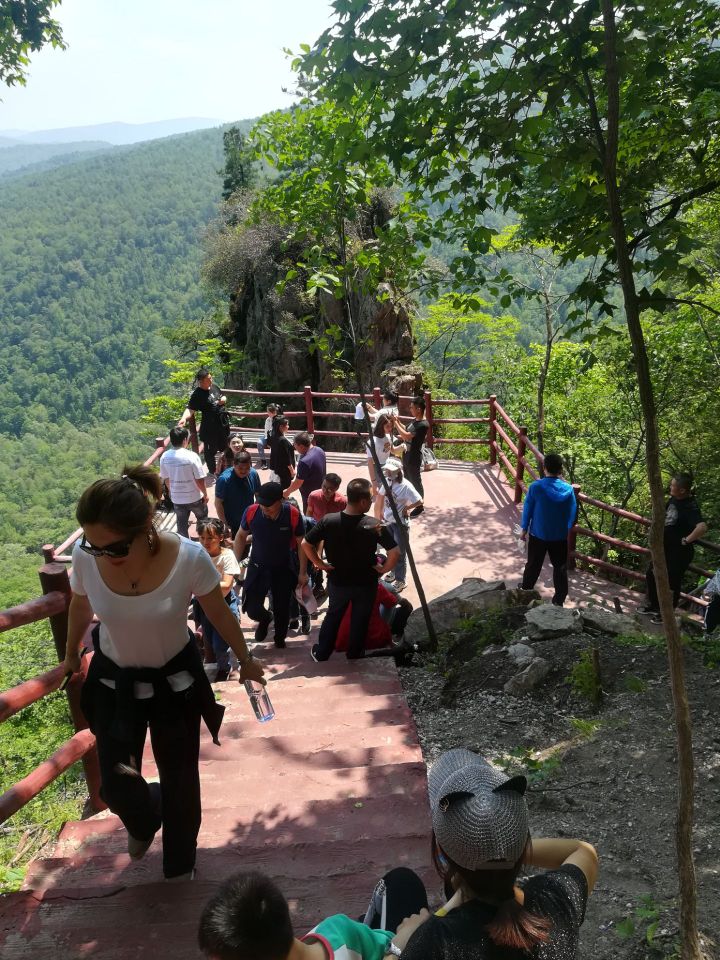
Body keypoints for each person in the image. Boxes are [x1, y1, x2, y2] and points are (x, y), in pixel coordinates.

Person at [62, 467, 265, 881]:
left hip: (175, 680)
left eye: (113, 547)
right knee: (116, 783)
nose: (101, 554)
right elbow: (80, 605)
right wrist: (70, 655)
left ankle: (179, 862)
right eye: (92, 545)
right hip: (114, 679)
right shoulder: (88, 556)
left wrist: (245, 660)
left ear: (145, 530)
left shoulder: (187, 557)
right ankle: (143, 818)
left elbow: (217, 610)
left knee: (180, 778)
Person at [389, 748, 598, 959]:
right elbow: (583, 850)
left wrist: (398, 947)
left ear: (441, 851)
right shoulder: (556, 901)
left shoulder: (436, 940)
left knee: (400, 883)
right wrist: (505, 850)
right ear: (522, 841)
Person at [198, 870, 408, 960]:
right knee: (401, 880)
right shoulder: (338, 928)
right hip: (386, 944)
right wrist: (400, 947)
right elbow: (387, 942)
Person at [302, 478, 400, 661]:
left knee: (333, 616)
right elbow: (395, 551)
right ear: (363, 501)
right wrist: (383, 569)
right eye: (370, 499)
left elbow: (306, 543)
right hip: (366, 582)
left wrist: (320, 563)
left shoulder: (329, 521)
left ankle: (322, 653)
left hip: (338, 581)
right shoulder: (373, 524)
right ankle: (355, 653)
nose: (371, 502)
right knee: (360, 618)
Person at [233, 482, 308, 648]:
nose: (264, 508)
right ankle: (266, 618)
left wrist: (303, 572)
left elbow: (301, 543)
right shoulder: (252, 511)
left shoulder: (292, 514)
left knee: (282, 608)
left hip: (283, 567)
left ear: (280, 501)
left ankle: (279, 638)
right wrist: (233, 564)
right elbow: (240, 536)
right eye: (261, 504)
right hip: (257, 567)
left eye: (268, 505)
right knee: (251, 607)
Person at [643, 472, 707, 623]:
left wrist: (686, 540)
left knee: (672, 581)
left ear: (682, 490)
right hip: (665, 547)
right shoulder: (674, 499)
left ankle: (666, 614)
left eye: (673, 486)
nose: (670, 487)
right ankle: (654, 605)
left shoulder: (690, 506)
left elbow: (702, 527)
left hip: (680, 552)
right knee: (651, 574)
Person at [519, 453, 577, 607]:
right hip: (559, 536)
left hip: (538, 533)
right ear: (560, 469)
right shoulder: (568, 490)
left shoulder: (536, 487)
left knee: (533, 564)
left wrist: (524, 529)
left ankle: (526, 590)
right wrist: (566, 526)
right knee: (560, 567)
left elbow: (528, 509)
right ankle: (559, 599)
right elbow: (572, 512)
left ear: (544, 468)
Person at [193, 518, 242, 682]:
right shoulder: (197, 554)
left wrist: (199, 585)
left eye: (210, 538)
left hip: (224, 605)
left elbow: (227, 585)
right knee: (209, 638)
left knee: (220, 643)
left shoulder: (227, 556)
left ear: (220, 537)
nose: (205, 542)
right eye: (202, 538)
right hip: (204, 605)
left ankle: (224, 669)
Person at [335, 579, 413, 654]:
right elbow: (395, 602)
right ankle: (389, 636)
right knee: (392, 603)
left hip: (342, 638)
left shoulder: (342, 584)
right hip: (370, 638)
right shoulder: (378, 586)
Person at [178, 368, 231, 478]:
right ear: (201, 381)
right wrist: (183, 418)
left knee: (225, 446)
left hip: (222, 424)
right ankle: (213, 471)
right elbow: (190, 409)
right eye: (208, 380)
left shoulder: (214, 387)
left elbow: (222, 396)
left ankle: (226, 468)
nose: (211, 381)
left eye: (211, 378)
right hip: (209, 427)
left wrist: (224, 399)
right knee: (210, 451)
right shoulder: (197, 394)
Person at [380, 458, 422, 593]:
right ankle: (393, 571)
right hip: (388, 521)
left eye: (390, 471)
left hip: (400, 524)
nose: (387, 472)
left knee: (400, 553)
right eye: (386, 470)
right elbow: (381, 496)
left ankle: (400, 579)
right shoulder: (387, 481)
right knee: (390, 550)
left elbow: (419, 500)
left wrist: (407, 508)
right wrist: (380, 513)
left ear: (398, 472)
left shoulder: (406, 486)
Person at [159, 426, 209, 539]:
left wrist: (173, 492)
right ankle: (204, 540)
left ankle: (186, 547)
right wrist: (205, 494)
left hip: (177, 498)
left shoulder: (164, 457)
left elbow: (166, 479)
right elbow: (199, 479)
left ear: (171, 440)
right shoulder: (192, 456)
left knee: (181, 524)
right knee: (203, 519)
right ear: (185, 440)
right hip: (194, 497)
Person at [307, 473, 347, 600]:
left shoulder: (342, 501)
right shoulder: (313, 496)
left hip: (333, 536)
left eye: (330, 489)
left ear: (336, 489)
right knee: (315, 560)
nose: (325, 491)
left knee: (333, 561)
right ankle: (318, 586)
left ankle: (332, 585)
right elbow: (309, 513)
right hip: (317, 533)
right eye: (324, 487)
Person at [215, 450, 261, 539]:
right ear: (234, 465)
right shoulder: (224, 480)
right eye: (240, 468)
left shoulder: (253, 473)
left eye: (247, 468)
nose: (244, 471)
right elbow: (218, 503)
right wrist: (224, 524)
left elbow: (258, 496)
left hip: (249, 519)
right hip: (232, 522)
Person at [392, 395, 429, 500]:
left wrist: (395, 423)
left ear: (419, 409)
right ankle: (411, 499)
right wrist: (397, 421)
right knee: (407, 478)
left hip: (414, 456)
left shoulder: (423, 424)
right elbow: (406, 429)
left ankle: (419, 504)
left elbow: (406, 435)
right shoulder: (416, 420)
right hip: (407, 453)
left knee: (416, 481)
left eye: (412, 407)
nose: (410, 409)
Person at [367, 413, 403, 520]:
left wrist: (402, 447)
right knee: (379, 498)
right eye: (387, 426)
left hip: (388, 467)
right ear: (381, 426)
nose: (390, 428)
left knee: (388, 495)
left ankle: (386, 518)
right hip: (378, 469)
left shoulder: (387, 437)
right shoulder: (372, 442)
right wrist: (373, 482)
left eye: (391, 426)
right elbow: (370, 463)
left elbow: (392, 450)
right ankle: (377, 520)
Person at [284, 431, 327, 512]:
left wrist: (287, 492)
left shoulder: (304, 461)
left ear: (301, 446)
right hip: (321, 490)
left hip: (310, 495)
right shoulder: (319, 450)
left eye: (295, 445)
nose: (294, 447)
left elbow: (298, 483)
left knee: (309, 517)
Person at [269, 416, 296, 490]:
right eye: (287, 425)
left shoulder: (274, 437)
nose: (288, 426)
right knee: (284, 489)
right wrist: (292, 471)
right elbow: (286, 458)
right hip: (284, 471)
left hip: (276, 468)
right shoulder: (282, 440)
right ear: (281, 427)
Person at [257, 402, 280, 470]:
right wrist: (268, 441)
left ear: (273, 412)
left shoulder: (280, 420)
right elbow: (266, 432)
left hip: (278, 438)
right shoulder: (268, 420)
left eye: (268, 411)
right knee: (259, 443)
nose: (267, 413)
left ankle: (276, 461)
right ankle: (263, 462)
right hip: (268, 437)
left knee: (276, 444)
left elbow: (281, 433)